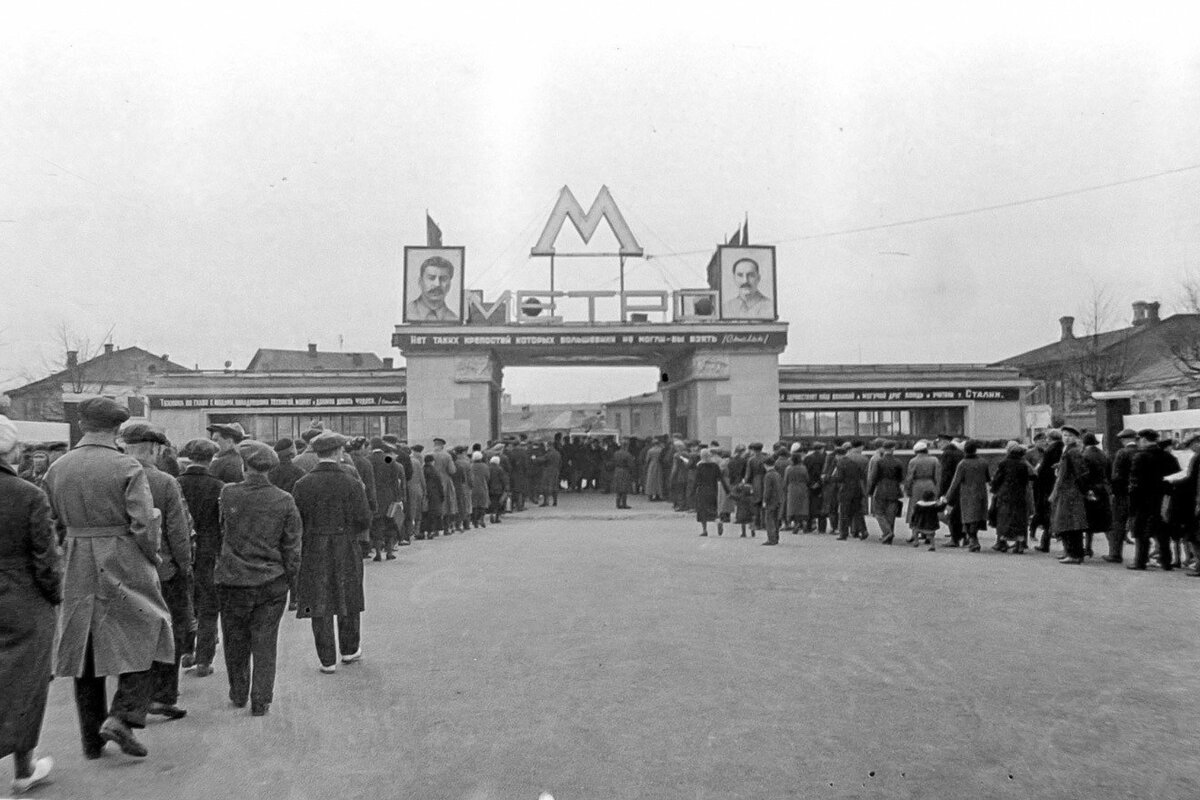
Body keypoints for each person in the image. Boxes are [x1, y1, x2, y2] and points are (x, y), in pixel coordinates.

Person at [42, 397, 174, 760]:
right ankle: (124, 714)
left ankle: (91, 741)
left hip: (76, 558)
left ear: (83, 426)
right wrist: (151, 557)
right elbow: (144, 524)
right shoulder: (126, 466)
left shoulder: (58, 468)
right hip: (121, 556)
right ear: (117, 429)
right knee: (151, 631)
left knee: (85, 647)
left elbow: (50, 521)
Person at [215, 440, 301, 715]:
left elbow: (221, 530)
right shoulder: (285, 500)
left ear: (244, 466)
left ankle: (238, 691)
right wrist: (294, 584)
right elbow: (292, 547)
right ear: (270, 470)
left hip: (232, 579)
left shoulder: (228, 494)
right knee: (265, 641)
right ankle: (261, 699)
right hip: (271, 581)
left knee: (234, 638)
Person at [0, 417, 61, 794]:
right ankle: (24, 768)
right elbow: (46, 557)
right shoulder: (28, 494)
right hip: (22, 597)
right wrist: (54, 596)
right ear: (12, 451)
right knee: (26, 683)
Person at [120, 423, 193, 720]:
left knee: (131, 635)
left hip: (121, 570)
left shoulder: (115, 475)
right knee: (169, 632)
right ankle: (163, 696)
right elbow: (178, 531)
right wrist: (185, 566)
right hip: (163, 571)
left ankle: (132, 698)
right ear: (154, 449)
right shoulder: (164, 482)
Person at [293, 432, 372, 672]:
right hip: (345, 545)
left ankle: (326, 659)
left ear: (317, 454)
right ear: (339, 452)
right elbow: (364, 519)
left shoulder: (302, 484)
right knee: (348, 596)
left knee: (318, 602)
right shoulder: (352, 482)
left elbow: (297, 521)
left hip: (314, 547)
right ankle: (349, 650)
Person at [176, 438, 225, 676]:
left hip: (181, 549)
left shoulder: (175, 483)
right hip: (209, 551)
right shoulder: (218, 486)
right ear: (211, 459)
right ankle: (204, 659)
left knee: (185, 600)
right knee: (208, 604)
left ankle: (186, 651)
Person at [1127, 428, 1178, 571]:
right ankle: (1166, 562)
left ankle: (1140, 561)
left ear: (1143, 440)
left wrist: (1132, 503)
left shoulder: (1140, 457)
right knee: (1162, 531)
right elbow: (1175, 478)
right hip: (1162, 498)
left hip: (1143, 499)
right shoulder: (1168, 457)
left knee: (1141, 532)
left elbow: (1135, 483)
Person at [1050, 427, 1091, 565]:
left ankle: (1074, 554)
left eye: (1070, 436)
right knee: (1068, 524)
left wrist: (1085, 490)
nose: (1066, 438)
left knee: (1070, 524)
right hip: (1067, 490)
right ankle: (1071, 552)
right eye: (1064, 435)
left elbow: (1081, 472)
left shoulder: (1072, 452)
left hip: (1070, 492)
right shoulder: (1069, 450)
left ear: (1075, 438)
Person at [944, 439, 991, 552]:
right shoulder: (983, 462)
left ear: (964, 450)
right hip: (981, 492)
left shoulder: (963, 464)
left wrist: (947, 496)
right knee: (977, 516)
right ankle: (973, 539)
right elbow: (988, 479)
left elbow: (955, 482)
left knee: (968, 517)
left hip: (967, 493)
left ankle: (973, 539)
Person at [989, 441, 1033, 553]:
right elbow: (1025, 480)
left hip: (1005, 495)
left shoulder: (1003, 463)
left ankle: (1002, 543)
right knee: (1019, 519)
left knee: (1004, 518)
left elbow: (998, 478)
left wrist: (994, 489)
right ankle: (1020, 545)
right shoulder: (1023, 464)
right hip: (1019, 495)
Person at [1104, 428, 1138, 563]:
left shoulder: (1122, 453)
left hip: (1122, 494)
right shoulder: (1141, 452)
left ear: (1124, 440)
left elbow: (1116, 476)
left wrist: (1114, 492)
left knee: (1117, 523)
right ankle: (1141, 557)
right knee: (1138, 524)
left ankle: (1115, 554)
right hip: (1139, 494)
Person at [1080, 432, 1112, 559]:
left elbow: (1084, 475)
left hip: (1091, 490)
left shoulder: (1085, 455)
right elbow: (1109, 473)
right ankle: (1112, 549)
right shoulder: (1103, 455)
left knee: (1089, 521)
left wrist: (1085, 490)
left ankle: (1088, 547)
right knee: (1106, 521)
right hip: (1103, 489)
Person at [867, 440, 904, 544]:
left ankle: (887, 532)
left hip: (880, 489)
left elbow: (873, 477)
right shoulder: (898, 462)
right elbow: (901, 478)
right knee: (891, 514)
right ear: (893, 449)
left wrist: (870, 490)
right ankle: (889, 535)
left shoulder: (879, 461)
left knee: (878, 512)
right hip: (894, 489)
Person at [903, 440, 941, 542]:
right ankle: (928, 534)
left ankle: (914, 533)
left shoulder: (913, 461)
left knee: (915, 509)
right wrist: (937, 490)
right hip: (930, 484)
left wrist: (907, 489)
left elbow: (909, 477)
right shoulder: (934, 460)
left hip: (917, 486)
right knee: (930, 509)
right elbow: (938, 476)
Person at [833, 441, 869, 540]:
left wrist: (830, 479)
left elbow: (839, 478)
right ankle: (864, 530)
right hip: (857, 490)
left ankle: (843, 534)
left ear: (838, 455)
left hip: (845, 491)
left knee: (844, 513)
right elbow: (861, 475)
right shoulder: (853, 463)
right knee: (858, 512)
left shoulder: (840, 463)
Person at [406, 254, 459, 321]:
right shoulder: (407, 312)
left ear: (449, 285)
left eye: (443, 279)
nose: (437, 284)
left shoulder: (454, 318)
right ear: (420, 282)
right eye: (431, 278)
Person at [936, 434, 965, 546]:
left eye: (939, 442)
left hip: (951, 489)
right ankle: (963, 535)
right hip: (961, 488)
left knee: (949, 513)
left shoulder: (947, 454)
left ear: (944, 442)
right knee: (958, 512)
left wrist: (942, 492)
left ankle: (955, 538)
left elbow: (946, 475)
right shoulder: (959, 453)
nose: (938, 445)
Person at [694, 449, 729, 536]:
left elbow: (696, 480)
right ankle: (718, 520)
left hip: (702, 490)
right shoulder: (715, 466)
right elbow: (721, 478)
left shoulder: (699, 466)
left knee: (702, 510)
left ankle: (704, 530)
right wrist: (727, 490)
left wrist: (692, 491)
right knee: (713, 508)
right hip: (713, 490)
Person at [783, 452, 810, 534]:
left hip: (792, 488)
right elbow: (807, 479)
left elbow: (785, 480)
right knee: (803, 506)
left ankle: (796, 524)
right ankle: (804, 522)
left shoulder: (788, 468)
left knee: (793, 507)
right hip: (802, 488)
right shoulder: (803, 468)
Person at [802, 443, 827, 532]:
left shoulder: (807, 458)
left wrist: (810, 483)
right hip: (821, 485)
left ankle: (809, 526)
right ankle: (822, 528)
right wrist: (819, 483)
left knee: (810, 505)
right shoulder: (824, 458)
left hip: (810, 485)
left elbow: (805, 472)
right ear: (822, 449)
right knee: (821, 506)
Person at [761, 455, 785, 545]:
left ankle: (771, 539)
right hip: (778, 499)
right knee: (775, 519)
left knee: (769, 519)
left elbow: (767, 490)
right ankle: (776, 537)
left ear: (765, 465)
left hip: (771, 500)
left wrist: (764, 500)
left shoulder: (768, 475)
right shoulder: (777, 474)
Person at [611, 443, 636, 509]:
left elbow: (613, 462)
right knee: (624, 488)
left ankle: (618, 504)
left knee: (618, 488)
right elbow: (631, 465)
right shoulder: (627, 454)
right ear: (626, 446)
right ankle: (624, 504)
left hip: (617, 470)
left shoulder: (615, 453)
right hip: (624, 471)